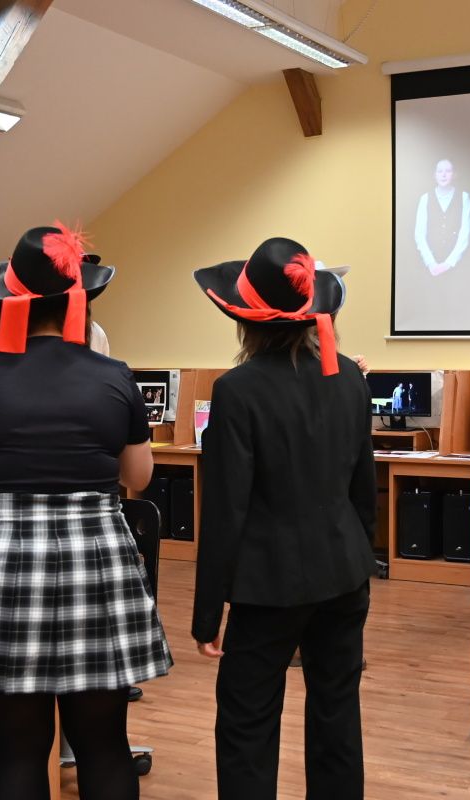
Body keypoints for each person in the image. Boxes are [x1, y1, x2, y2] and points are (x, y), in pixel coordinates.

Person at [0, 223, 172, 800]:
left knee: (18, 753)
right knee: (105, 746)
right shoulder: (114, 377)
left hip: (5, 561)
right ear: (78, 302)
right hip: (97, 560)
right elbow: (139, 478)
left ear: (5, 301)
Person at [191, 237, 376, 798]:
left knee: (247, 721)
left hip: (268, 586)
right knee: (337, 711)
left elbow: (226, 510)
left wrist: (207, 614)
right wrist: (360, 560)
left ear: (245, 319)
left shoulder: (236, 391)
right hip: (344, 574)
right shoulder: (350, 378)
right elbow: (363, 489)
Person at [414, 158, 470, 282]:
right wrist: (431, 263)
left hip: (456, 264)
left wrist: (449, 263)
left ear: (454, 174)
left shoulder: (464, 197)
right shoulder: (425, 198)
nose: (444, 175)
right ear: (434, 175)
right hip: (431, 265)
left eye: (448, 171)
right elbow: (419, 234)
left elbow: (465, 233)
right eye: (440, 171)